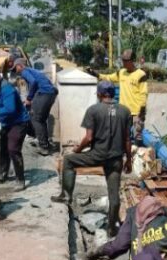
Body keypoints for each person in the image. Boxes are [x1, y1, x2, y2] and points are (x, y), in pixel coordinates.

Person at [51, 81, 132, 236]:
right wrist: (128, 160)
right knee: (114, 193)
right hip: (116, 159)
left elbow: (88, 138)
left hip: (97, 155)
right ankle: (112, 227)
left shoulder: (93, 110)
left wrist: (77, 149)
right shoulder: (125, 111)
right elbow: (127, 139)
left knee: (68, 160)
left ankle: (66, 195)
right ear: (113, 94)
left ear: (99, 94)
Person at [0, 62, 30, 192]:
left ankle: (20, 179)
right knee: (3, 148)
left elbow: (10, 109)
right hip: (7, 122)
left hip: (19, 122)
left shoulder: (7, 88)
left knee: (13, 149)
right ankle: (3, 174)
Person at [92, 49, 148, 146]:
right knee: (122, 136)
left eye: (126, 61)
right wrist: (96, 74)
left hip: (136, 113)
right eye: (123, 61)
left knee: (137, 137)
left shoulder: (141, 75)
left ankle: (136, 157)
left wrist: (142, 112)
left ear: (132, 60)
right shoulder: (121, 72)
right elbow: (109, 77)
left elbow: (143, 94)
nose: (124, 63)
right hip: (123, 112)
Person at [13, 58, 58, 156]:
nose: (14, 70)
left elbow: (33, 82)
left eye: (15, 68)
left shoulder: (25, 71)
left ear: (20, 66)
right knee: (41, 120)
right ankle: (46, 144)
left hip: (44, 93)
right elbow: (45, 82)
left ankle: (43, 146)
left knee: (36, 119)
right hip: (50, 94)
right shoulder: (34, 71)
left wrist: (29, 98)